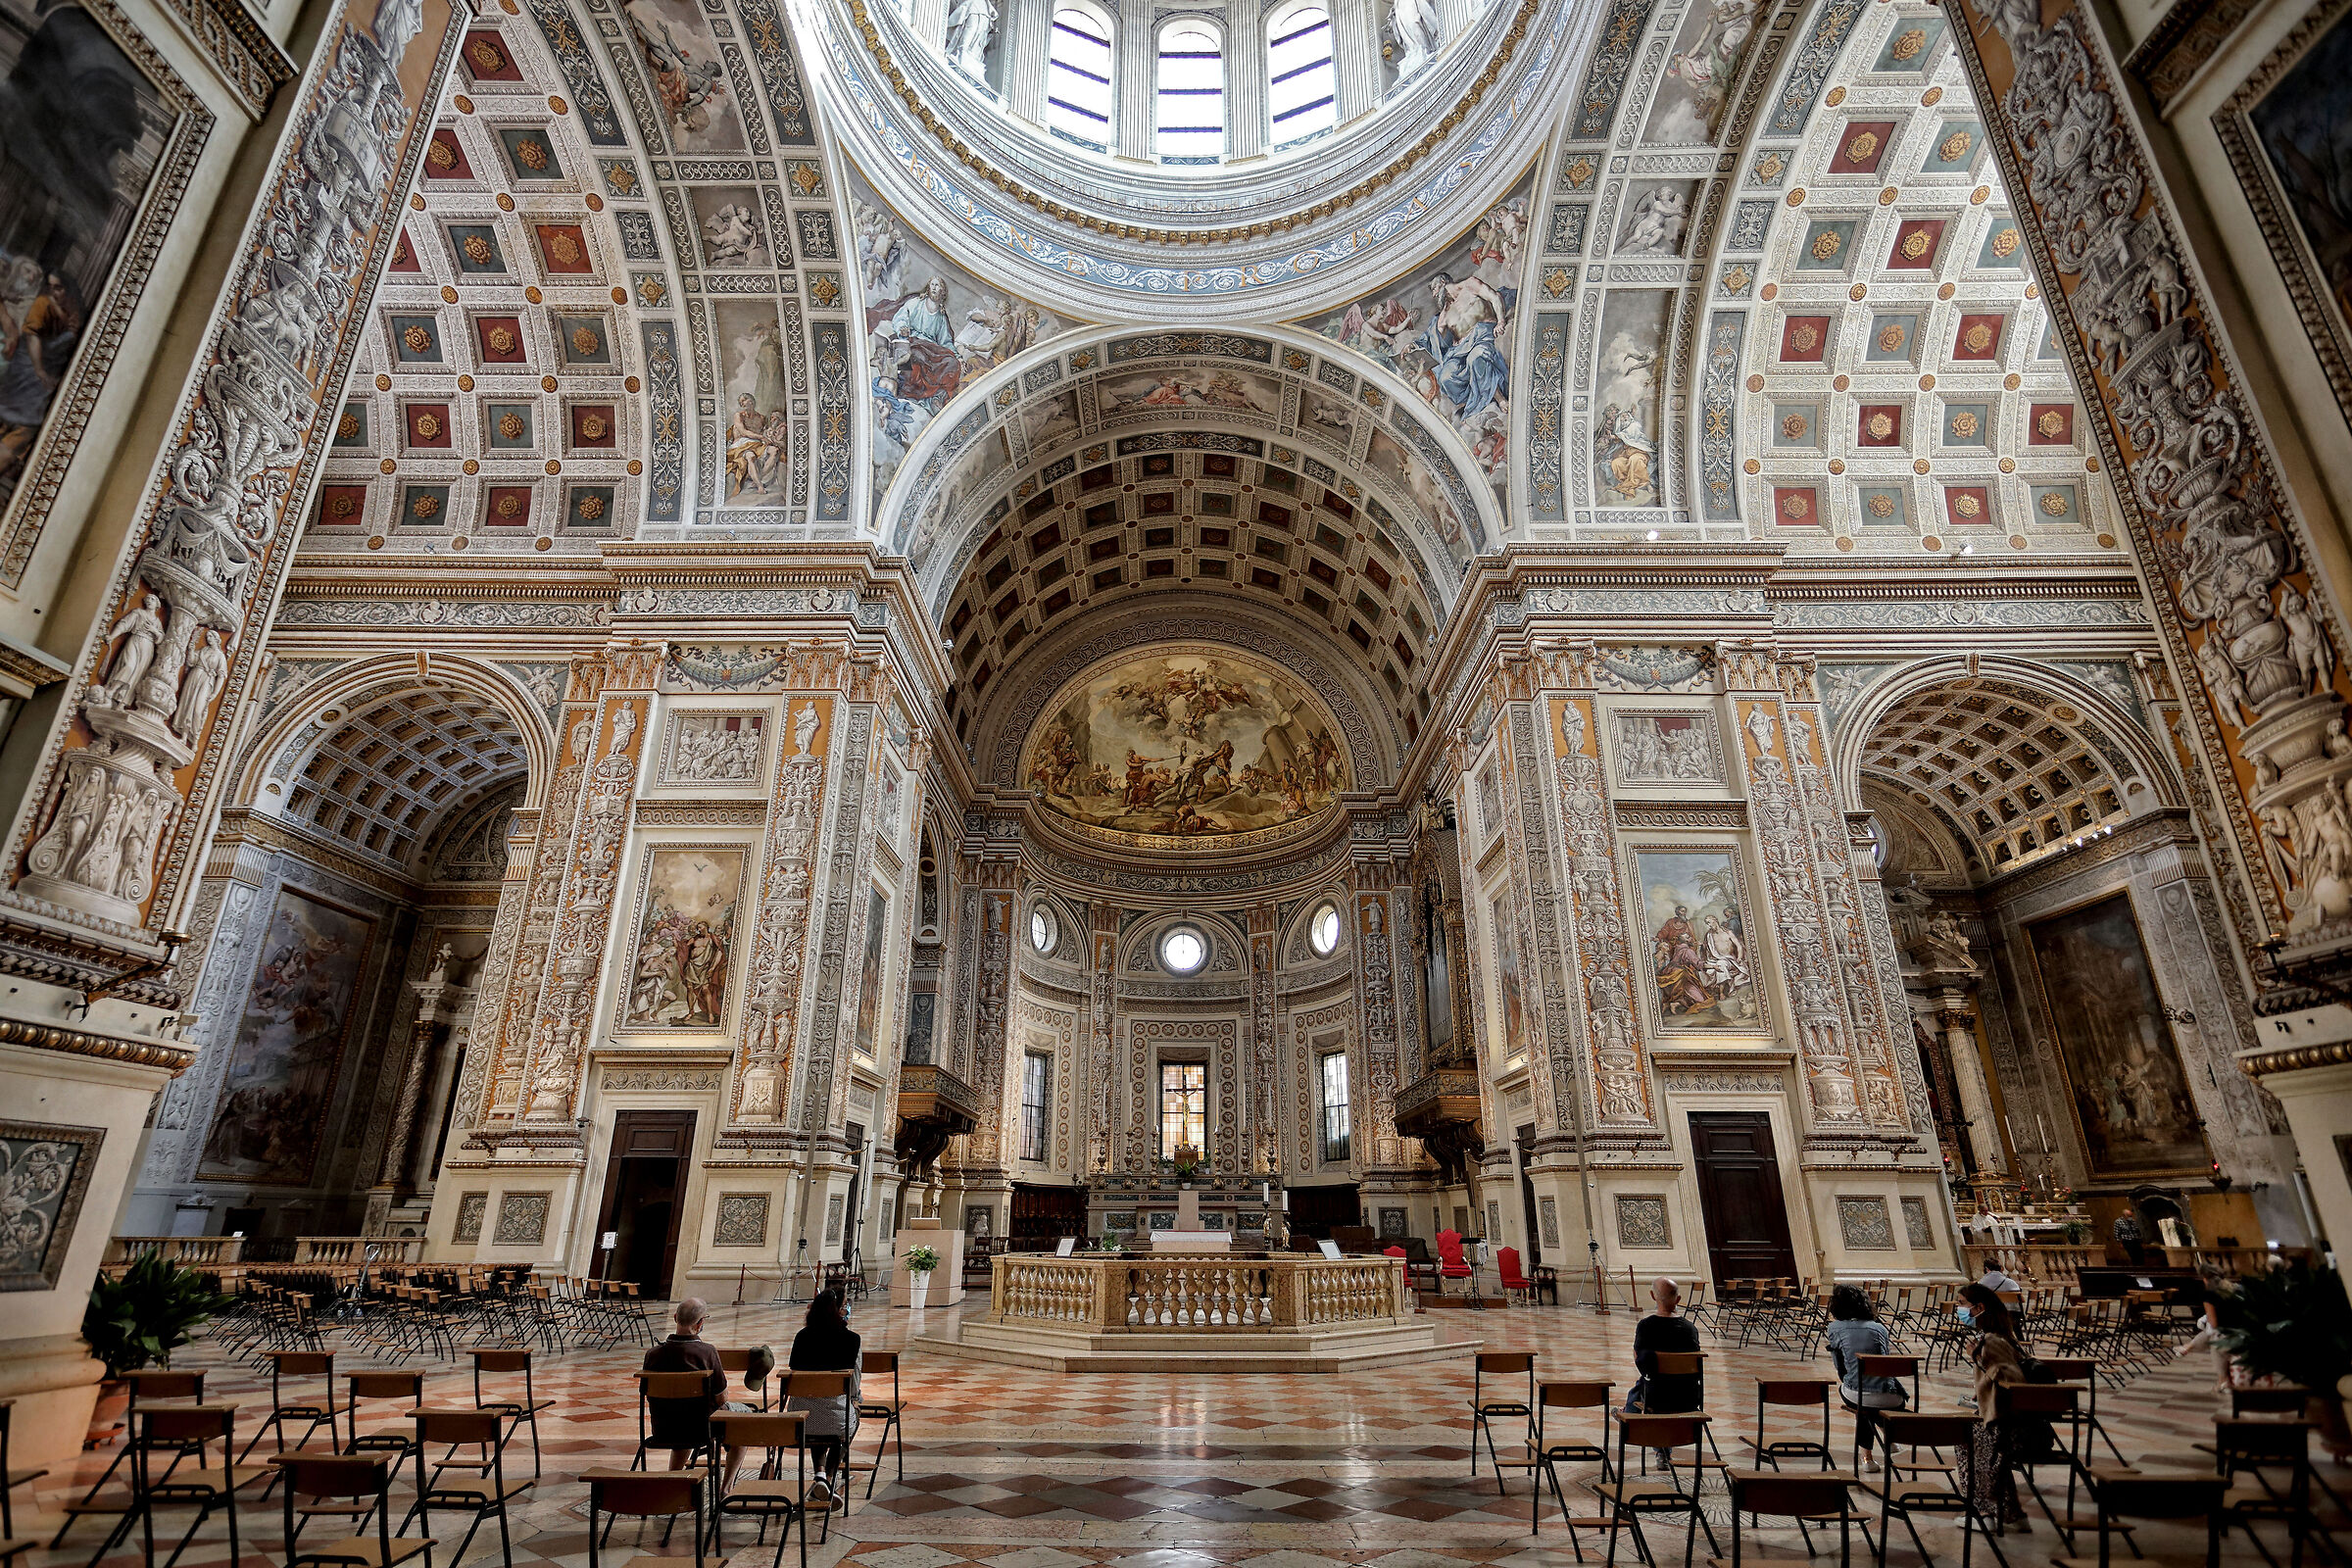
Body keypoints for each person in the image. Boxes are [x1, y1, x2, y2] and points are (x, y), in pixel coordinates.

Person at [1957, 1283, 2041, 1533]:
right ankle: (2010, 1514)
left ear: (1979, 1308)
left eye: (1962, 1305)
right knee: (1973, 1435)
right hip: (2013, 1422)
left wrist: (1977, 1358)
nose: (1959, 1310)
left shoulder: (1992, 1342)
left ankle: (1983, 1512)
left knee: (1967, 1440)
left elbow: (2013, 1383)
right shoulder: (2002, 1337)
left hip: (2011, 1426)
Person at [642, 1298, 751, 1486]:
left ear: (675, 1317)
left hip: (664, 1428)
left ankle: (672, 1480)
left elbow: (647, 1394)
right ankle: (726, 1488)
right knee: (745, 1418)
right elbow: (721, 1398)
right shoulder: (707, 1352)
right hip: (700, 1429)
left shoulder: (652, 1354)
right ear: (700, 1323)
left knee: (681, 1411)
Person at [787, 1288, 862, 1506]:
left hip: (800, 1416)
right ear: (839, 1310)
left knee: (816, 1411)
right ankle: (829, 1478)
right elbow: (854, 1384)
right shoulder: (852, 1339)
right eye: (845, 1305)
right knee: (851, 1415)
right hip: (835, 1416)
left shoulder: (802, 1337)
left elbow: (793, 1373)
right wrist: (856, 1400)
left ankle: (819, 1474)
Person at [1823, 1285, 1907, 1470]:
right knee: (1868, 1400)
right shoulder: (1879, 1328)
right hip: (1892, 1397)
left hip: (1859, 1393)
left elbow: (1839, 1365)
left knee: (1861, 1403)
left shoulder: (1835, 1327)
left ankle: (1867, 1459)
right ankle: (1889, 1436)